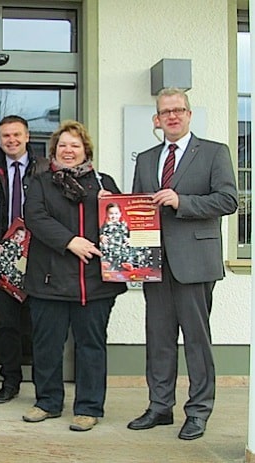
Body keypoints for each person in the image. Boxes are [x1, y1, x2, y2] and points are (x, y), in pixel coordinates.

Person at [127, 88, 238, 440]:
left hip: (195, 262)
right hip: (154, 264)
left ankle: (199, 410)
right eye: (165, 112)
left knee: (196, 341)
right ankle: (160, 407)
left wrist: (182, 201)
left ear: (189, 114)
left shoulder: (214, 152)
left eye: (179, 110)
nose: (172, 116)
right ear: (157, 121)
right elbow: (138, 209)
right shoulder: (145, 159)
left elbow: (228, 199)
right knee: (158, 340)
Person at [23, 120, 127, 432]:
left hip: (93, 285)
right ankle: (48, 402)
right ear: (54, 150)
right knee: (47, 347)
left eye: (75, 145)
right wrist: (70, 242)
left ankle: (89, 407)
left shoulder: (103, 182)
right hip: (49, 282)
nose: (69, 151)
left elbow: (121, 224)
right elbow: (35, 218)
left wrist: (114, 205)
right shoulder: (41, 182)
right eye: (63, 145)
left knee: (91, 347)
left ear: (86, 151)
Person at [0, 115, 49, 405]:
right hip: (3, 256)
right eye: (6, 136)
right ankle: (10, 381)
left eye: (16, 135)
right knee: (6, 323)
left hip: (38, 256)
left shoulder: (45, 168)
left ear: (27, 136)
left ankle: (43, 386)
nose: (11, 140)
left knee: (39, 323)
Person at [99, 203, 131, 271]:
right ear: (107, 214)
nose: (114, 216)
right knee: (102, 247)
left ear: (120, 214)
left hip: (121, 246)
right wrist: (102, 237)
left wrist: (129, 240)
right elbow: (100, 233)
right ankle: (107, 263)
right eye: (111, 213)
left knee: (128, 249)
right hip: (109, 247)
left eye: (116, 213)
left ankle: (126, 263)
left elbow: (129, 235)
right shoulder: (105, 226)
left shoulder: (123, 226)